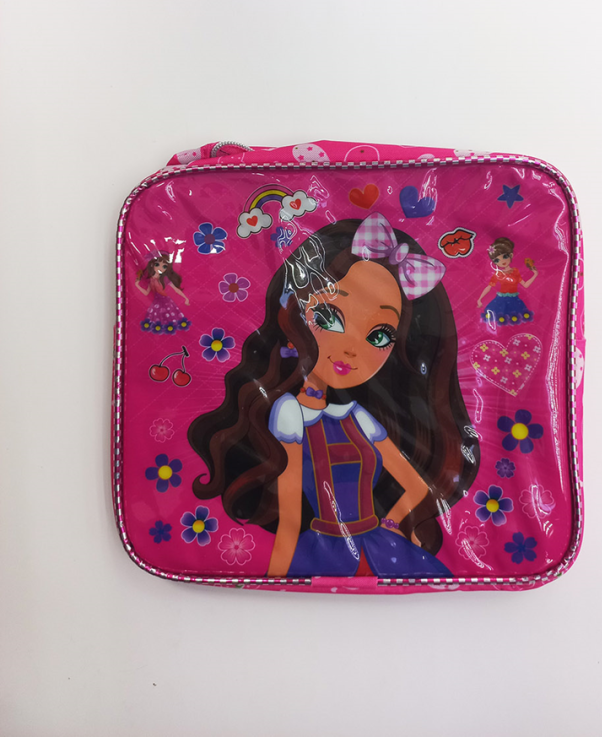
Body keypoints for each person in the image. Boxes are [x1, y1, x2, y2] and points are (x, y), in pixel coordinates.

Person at [188, 214, 479, 578]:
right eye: (329, 318)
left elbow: (418, 487)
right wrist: (273, 579)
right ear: (293, 315)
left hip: (380, 546)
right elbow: (290, 518)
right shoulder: (290, 414)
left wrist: (393, 524)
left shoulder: (358, 417)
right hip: (326, 549)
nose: (351, 348)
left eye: (379, 336)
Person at [477, 237, 538, 327]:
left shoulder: (515, 271)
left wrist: (535, 274)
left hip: (514, 300)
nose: (502, 261)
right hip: (500, 300)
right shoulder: (498, 274)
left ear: (511, 255)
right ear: (494, 263)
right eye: (497, 260)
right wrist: (479, 299)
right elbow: (489, 287)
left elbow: (525, 285)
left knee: (516, 322)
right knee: (501, 320)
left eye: (505, 257)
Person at [135, 254, 191, 335]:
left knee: (169, 322)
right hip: (156, 303)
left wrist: (186, 298)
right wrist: (137, 285)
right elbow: (146, 293)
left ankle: (171, 337)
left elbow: (176, 289)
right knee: (157, 323)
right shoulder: (151, 279)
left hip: (166, 302)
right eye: (157, 265)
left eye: (164, 266)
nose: (160, 268)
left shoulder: (164, 279)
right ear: (152, 265)